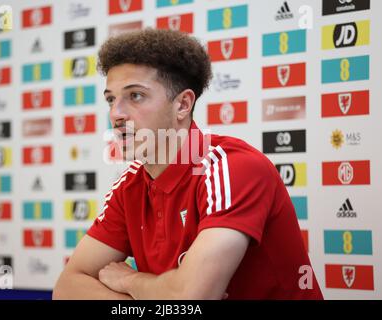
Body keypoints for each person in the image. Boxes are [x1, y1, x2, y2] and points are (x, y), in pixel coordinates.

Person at [53, 28, 323, 300]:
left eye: (135, 96)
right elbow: (67, 288)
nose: (116, 114)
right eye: (111, 99)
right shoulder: (129, 185)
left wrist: (131, 280)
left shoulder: (233, 168)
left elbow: (191, 297)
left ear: (183, 104)